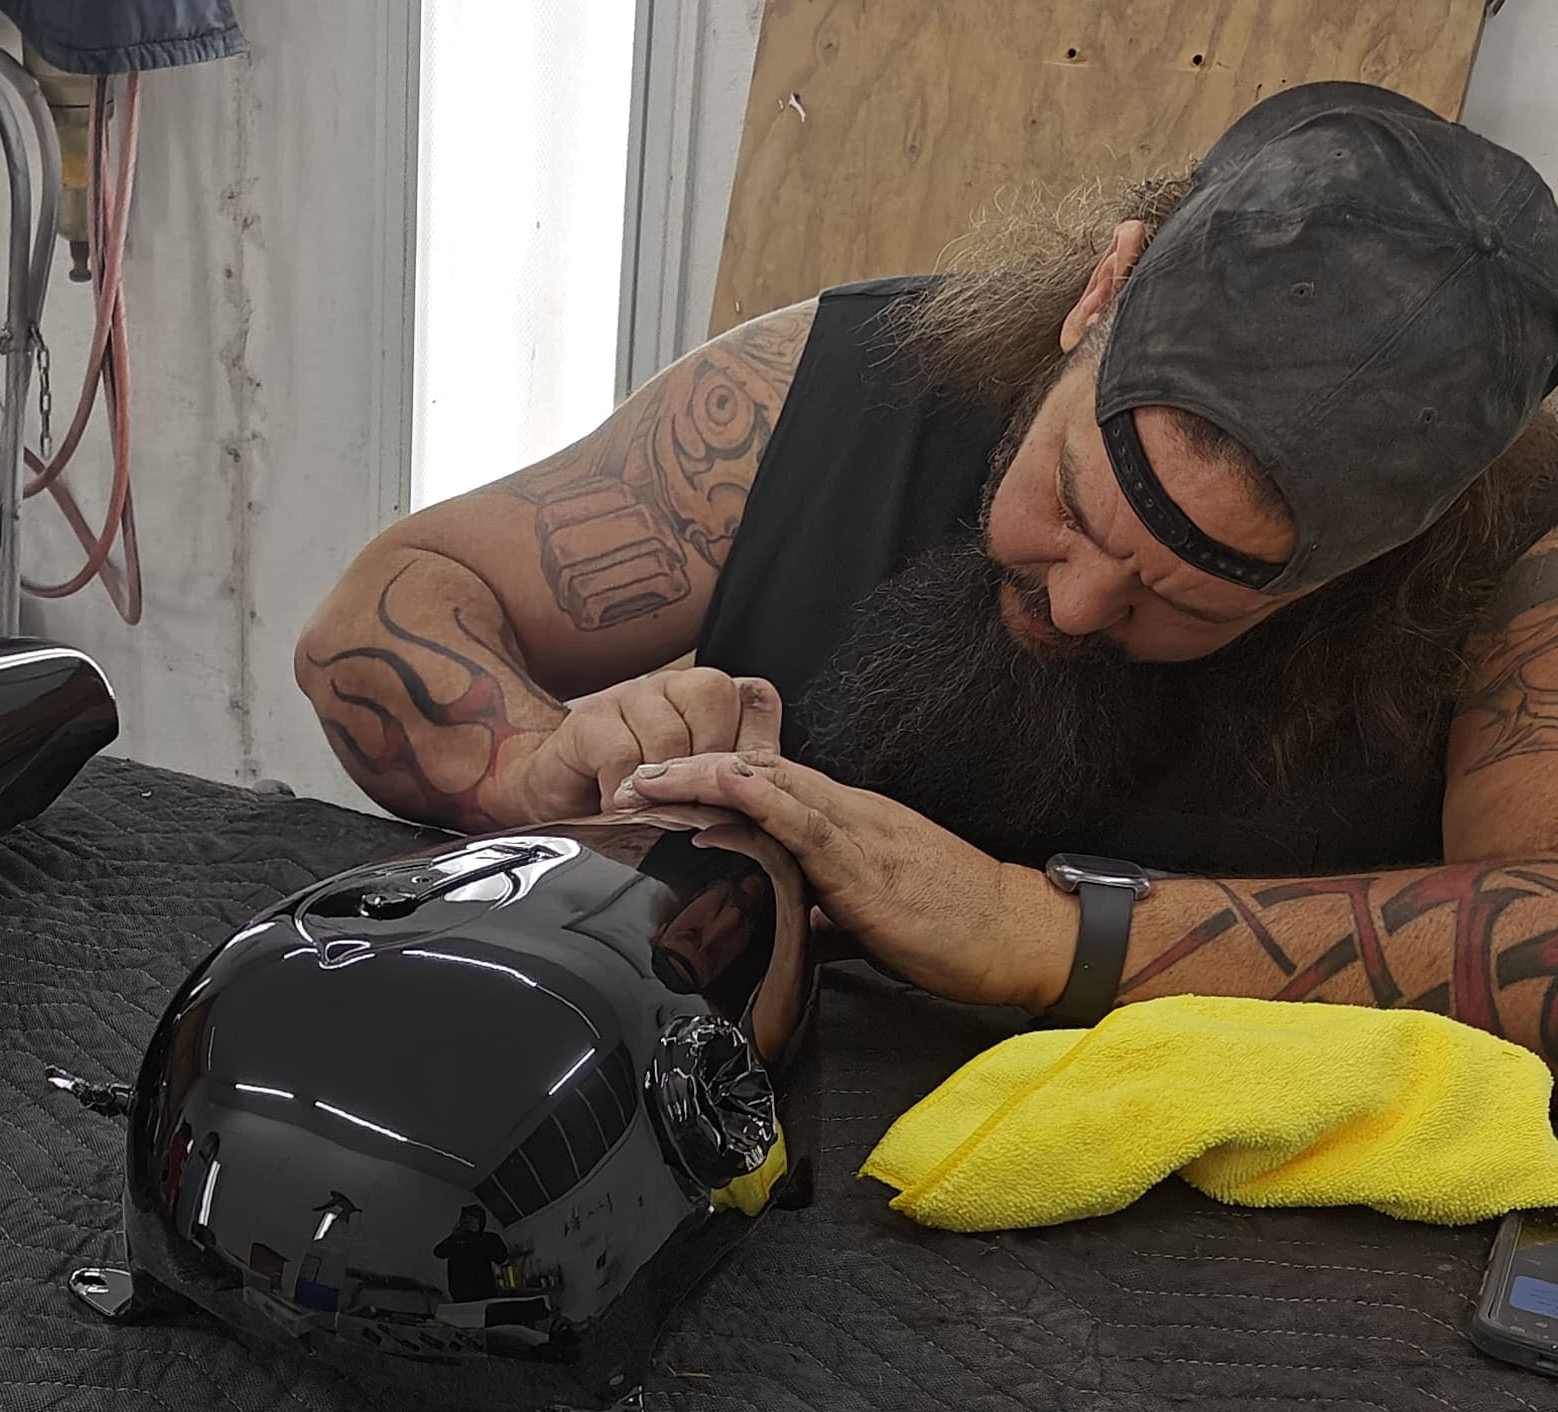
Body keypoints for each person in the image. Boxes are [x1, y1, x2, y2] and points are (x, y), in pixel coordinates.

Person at [293, 83, 1558, 1052]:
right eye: (1068, 500)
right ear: (1102, 292)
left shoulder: (1513, 558)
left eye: (1188, 601)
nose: (1072, 605)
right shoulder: (830, 392)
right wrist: (531, 767)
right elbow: (388, 604)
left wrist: (1037, 933)